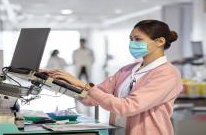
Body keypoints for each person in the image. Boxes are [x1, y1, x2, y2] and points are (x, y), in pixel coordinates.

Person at [44, 20, 183, 135]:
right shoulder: (127, 70)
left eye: (138, 39)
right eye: (131, 39)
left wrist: (83, 84)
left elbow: (128, 107)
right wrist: (59, 82)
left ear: (160, 41)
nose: (132, 44)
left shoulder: (167, 74)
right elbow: (90, 98)